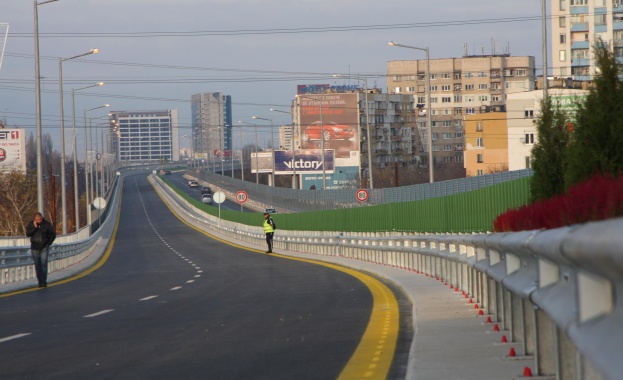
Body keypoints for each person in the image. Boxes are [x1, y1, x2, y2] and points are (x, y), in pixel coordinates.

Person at [25, 212, 56, 288]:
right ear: (34, 219)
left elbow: (53, 234)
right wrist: (35, 228)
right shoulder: (31, 224)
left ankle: (44, 282)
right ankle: (40, 281)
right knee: (37, 265)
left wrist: (48, 243)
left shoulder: (46, 224)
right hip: (35, 247)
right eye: (37, 219)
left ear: (42, 218)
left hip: (44, 246)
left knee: (43, 265)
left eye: (40, 219)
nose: (39, 221)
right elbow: (28, 234)